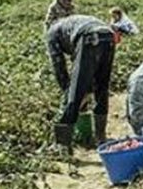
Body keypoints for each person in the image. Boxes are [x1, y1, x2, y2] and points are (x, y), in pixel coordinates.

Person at [47, 15, 115, 149]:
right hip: (108, 36)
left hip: (89, 36)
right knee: (101, 87)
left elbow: (58, 65)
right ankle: (101, 137)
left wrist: (67, 91)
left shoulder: (51, 33)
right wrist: (87, 90)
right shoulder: (71, 24)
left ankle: (62, 144)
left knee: (75, 91)